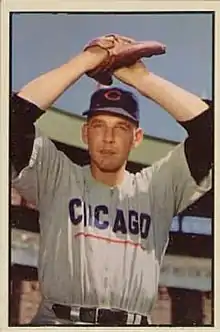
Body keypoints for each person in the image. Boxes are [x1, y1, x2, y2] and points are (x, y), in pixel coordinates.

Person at [11, 35, 213, 326]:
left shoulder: (157, 186)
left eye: (121, 127)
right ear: (85, 134)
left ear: (137, 138)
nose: (108, 138)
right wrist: (87, 61)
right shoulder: (56, 175)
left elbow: (211, 130)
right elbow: (12, 119)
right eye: (98, 125)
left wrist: (141, 78)